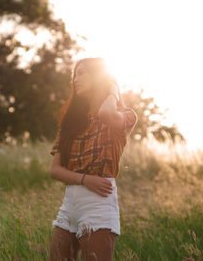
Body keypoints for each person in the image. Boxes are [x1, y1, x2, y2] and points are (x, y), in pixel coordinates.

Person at [48, 57, 138, 261]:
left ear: (99, 78)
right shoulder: (71, 122)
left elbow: (105, 113)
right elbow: (54, 170)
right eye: (74, 75)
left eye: (81, 73)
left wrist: (113, 89)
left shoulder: (126, 115)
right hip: (70, 204)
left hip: (99, 204)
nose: (75, 80)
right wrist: (84, 179)